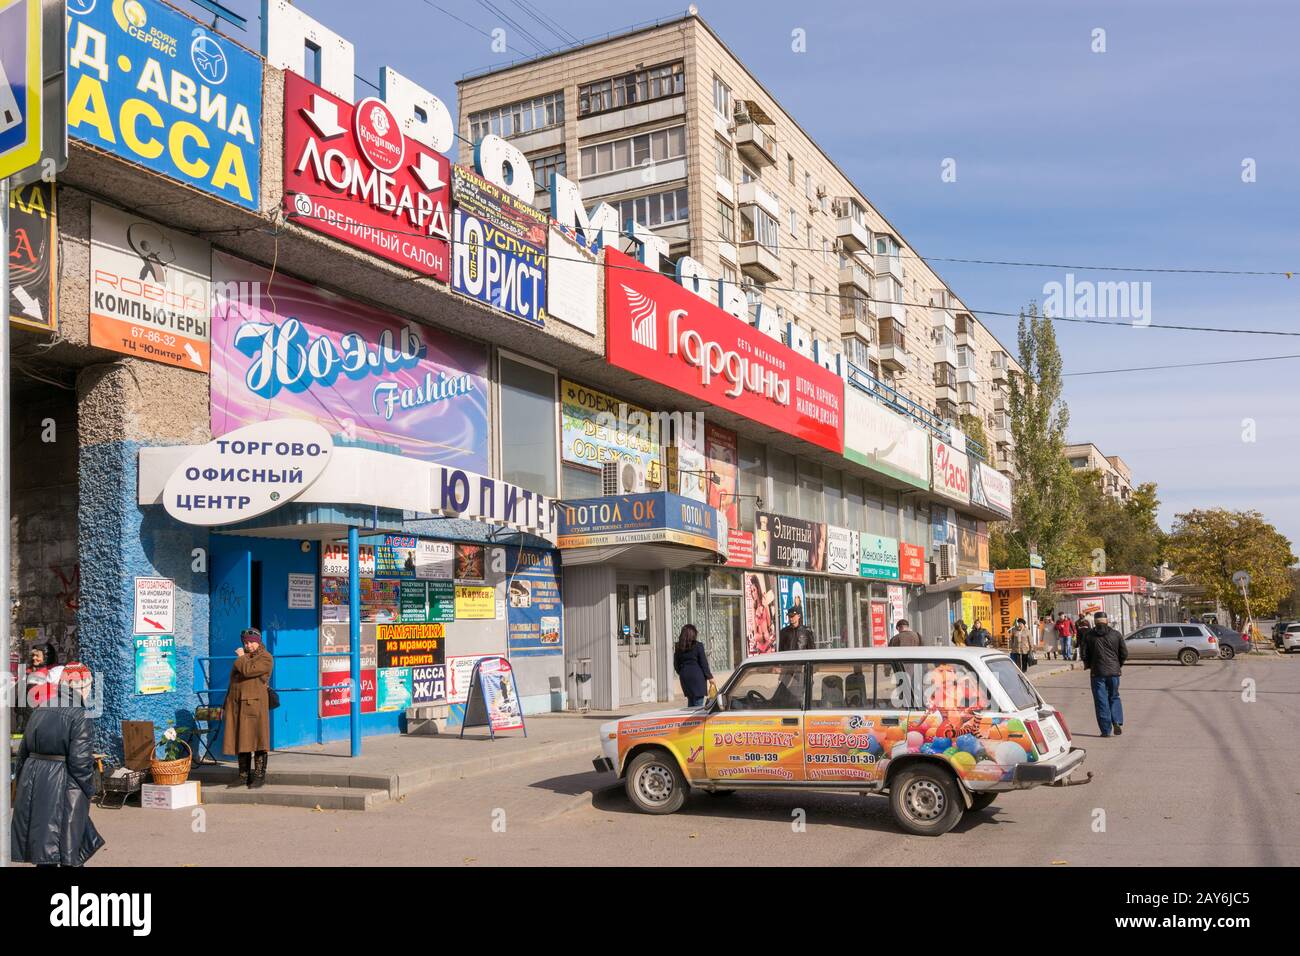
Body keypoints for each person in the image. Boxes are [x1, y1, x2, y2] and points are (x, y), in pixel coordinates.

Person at [11, 663, 105, 867]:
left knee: (44, 845)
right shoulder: (80, 715)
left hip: (34, 779)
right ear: (82, 686)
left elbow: (23, 753)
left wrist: (23, 785)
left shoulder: (41, 708)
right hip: (63, 783)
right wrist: (90, 789)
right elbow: (81, 763)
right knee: (66, 845)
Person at [222, 627, 275, 789]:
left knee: (259, 740)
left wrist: (241, 657)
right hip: (237, 704)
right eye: (246, 642)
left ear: (259, 643)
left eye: (252, 642)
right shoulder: (245, 657)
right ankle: (243, 775)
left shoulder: (266, 657)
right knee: (241, 739)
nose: (249, 645)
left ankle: (259, 775)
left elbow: (248, 670)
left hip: (254, 705)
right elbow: (234, 682)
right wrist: (226, 703)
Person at [1080, 611, 1127, 737]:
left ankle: (1106, 730)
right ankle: (1116, 721)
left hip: (1097, 673)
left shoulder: (1089, 635)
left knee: (1101, 700)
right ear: (1107, 621)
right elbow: (1124, 653)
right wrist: (1118, 664)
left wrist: (1088, 664)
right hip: (1114, 672)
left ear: (1094, 622)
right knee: (1114, 696)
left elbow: (1083, 654)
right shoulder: (1116, 634)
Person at [673, 624, 713, 707]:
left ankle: (691, 720)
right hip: (697, 678)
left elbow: (676, 664)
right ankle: (695, 720)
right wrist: (710, 677)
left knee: (691, 703)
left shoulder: (678, 646)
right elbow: (703, 663)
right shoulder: (698, 646)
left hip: (685, 678)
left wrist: (682, 672)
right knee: (698, 706)